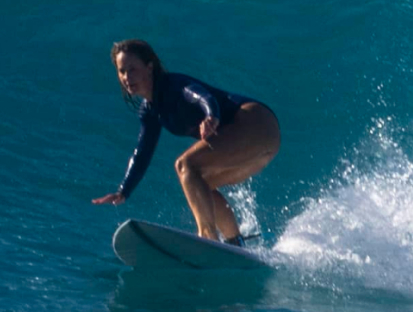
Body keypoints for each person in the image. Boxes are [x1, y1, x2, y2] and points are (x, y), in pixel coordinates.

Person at [93, 39, 280, 244]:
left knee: (185, 165)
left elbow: (203, 96)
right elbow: (142, 153)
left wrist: (211, 115)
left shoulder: (172, 85)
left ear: (149, 68)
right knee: (200, 185)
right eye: (122, 71)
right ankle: (234, 242)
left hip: (256, 122)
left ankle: (207, 236)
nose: (127, 77)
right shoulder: (150, 111)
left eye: (132, 69)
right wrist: (124, 190)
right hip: (264, 142)